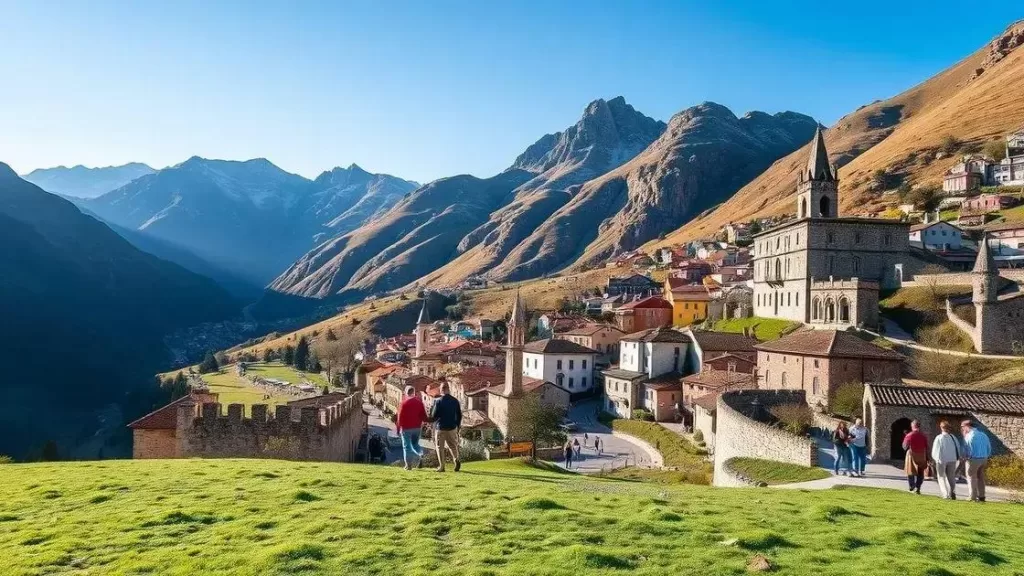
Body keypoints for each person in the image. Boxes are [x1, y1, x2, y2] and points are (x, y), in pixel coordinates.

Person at [429, 382, 463, 472]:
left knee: (440, 447)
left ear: (441, 390)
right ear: (449, 389)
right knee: (453, 446)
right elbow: (459, 415)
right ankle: (456, 459)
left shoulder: (438, 401)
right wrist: (458, 426)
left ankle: (442, 467)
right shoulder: (455, 401)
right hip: (452, 427)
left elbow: (434, 415)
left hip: (441, 427)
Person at [395, 385, 427, 470]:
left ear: (406, 393)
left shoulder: (403, 403)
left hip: (406, 428)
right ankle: (420, 453)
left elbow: (399, 418)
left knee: (407, 447)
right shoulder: (419, 402)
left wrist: (398, 429)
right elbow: (424, 416)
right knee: (415, 444)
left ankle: (408, 466)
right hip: (417, 428)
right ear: (414, 393)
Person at [961, 420, 992, 502]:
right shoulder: (983, 435)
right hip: (984, 458)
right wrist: (986, 455)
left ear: (967, 426)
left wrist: (966, 457)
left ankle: (972, 496)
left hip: (974, 459)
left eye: (962, 427)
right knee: (980, 477)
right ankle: (982, 496)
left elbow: (967, 449)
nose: (962, 429)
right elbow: (989, 447)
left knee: (971, 477)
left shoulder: (969, 436)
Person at [932, 420, 962, 500]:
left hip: (942, 460)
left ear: (941, 428)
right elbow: (958, 447)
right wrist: (958, 457)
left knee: (941, 477)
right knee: (951, 477)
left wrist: (936, 459)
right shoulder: (953, 437)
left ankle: (945, 494)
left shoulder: (939, 438)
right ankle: (952, 492)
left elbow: (936, 450)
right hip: (952, 459)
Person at [902, 420, 929, 494]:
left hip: (912, 454)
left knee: (910, 471)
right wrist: (927, 457)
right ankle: (918, 487)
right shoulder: (923, 435)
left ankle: (912, 486)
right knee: (920, 473)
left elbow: (904, 446)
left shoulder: (909, 435)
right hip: (921, 455)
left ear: (912, 426)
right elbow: (927, 447)